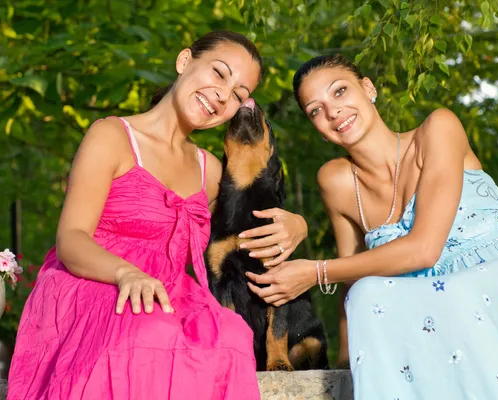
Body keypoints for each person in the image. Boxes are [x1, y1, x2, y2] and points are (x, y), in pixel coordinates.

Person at [246, 54, 498, 399]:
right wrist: (345, 360)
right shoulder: (336, 180)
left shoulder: (437, 129)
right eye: (316, 110)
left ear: (368, 89)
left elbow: (425, 249)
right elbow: (351, 277)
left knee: (457, 296)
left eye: (339, 92)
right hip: (436, 302)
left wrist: (315, 272)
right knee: (367, 295)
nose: (332, 111)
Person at [8, 31, 308, 400]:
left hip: (173, 298)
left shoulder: (211, 170)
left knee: (231, 333)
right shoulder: (111, 135)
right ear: (185, 61)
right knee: (151, 330)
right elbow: (71, 238)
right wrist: (126, 273)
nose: (222, 95)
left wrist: (298, 224)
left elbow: (246, 232)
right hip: (97, 282)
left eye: (238, 95)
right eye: (218, 73)